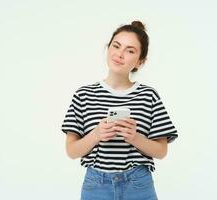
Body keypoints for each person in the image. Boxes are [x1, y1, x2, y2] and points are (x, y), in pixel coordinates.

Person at [61, 20, 178, 200]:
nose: (120, 54)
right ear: (108, 48)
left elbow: (161, 151)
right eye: (116, 46)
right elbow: (71, 151)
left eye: (130, 50)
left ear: (140, 62)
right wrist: (96, 134)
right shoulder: (83, 95)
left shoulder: (148, 95)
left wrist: (134, 137)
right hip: (96, 185)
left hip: (138, 184)